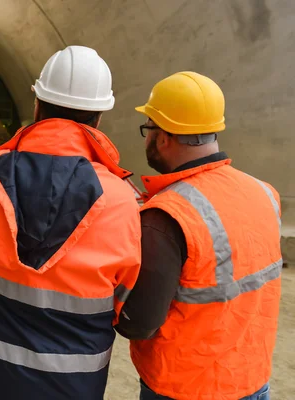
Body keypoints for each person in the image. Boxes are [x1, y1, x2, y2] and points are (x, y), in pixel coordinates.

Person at [0, 46, 142, 399]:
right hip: (71, 385)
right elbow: (126, 300)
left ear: (36, 104)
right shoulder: (122, 201)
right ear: (99, 117)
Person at [116, 71, 282, 400]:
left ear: (163, 136)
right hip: (252, 381)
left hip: (185, 389)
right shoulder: (265, 193)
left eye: (148, 129)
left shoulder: (166, 217)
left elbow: (137, 323)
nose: (147, 139)